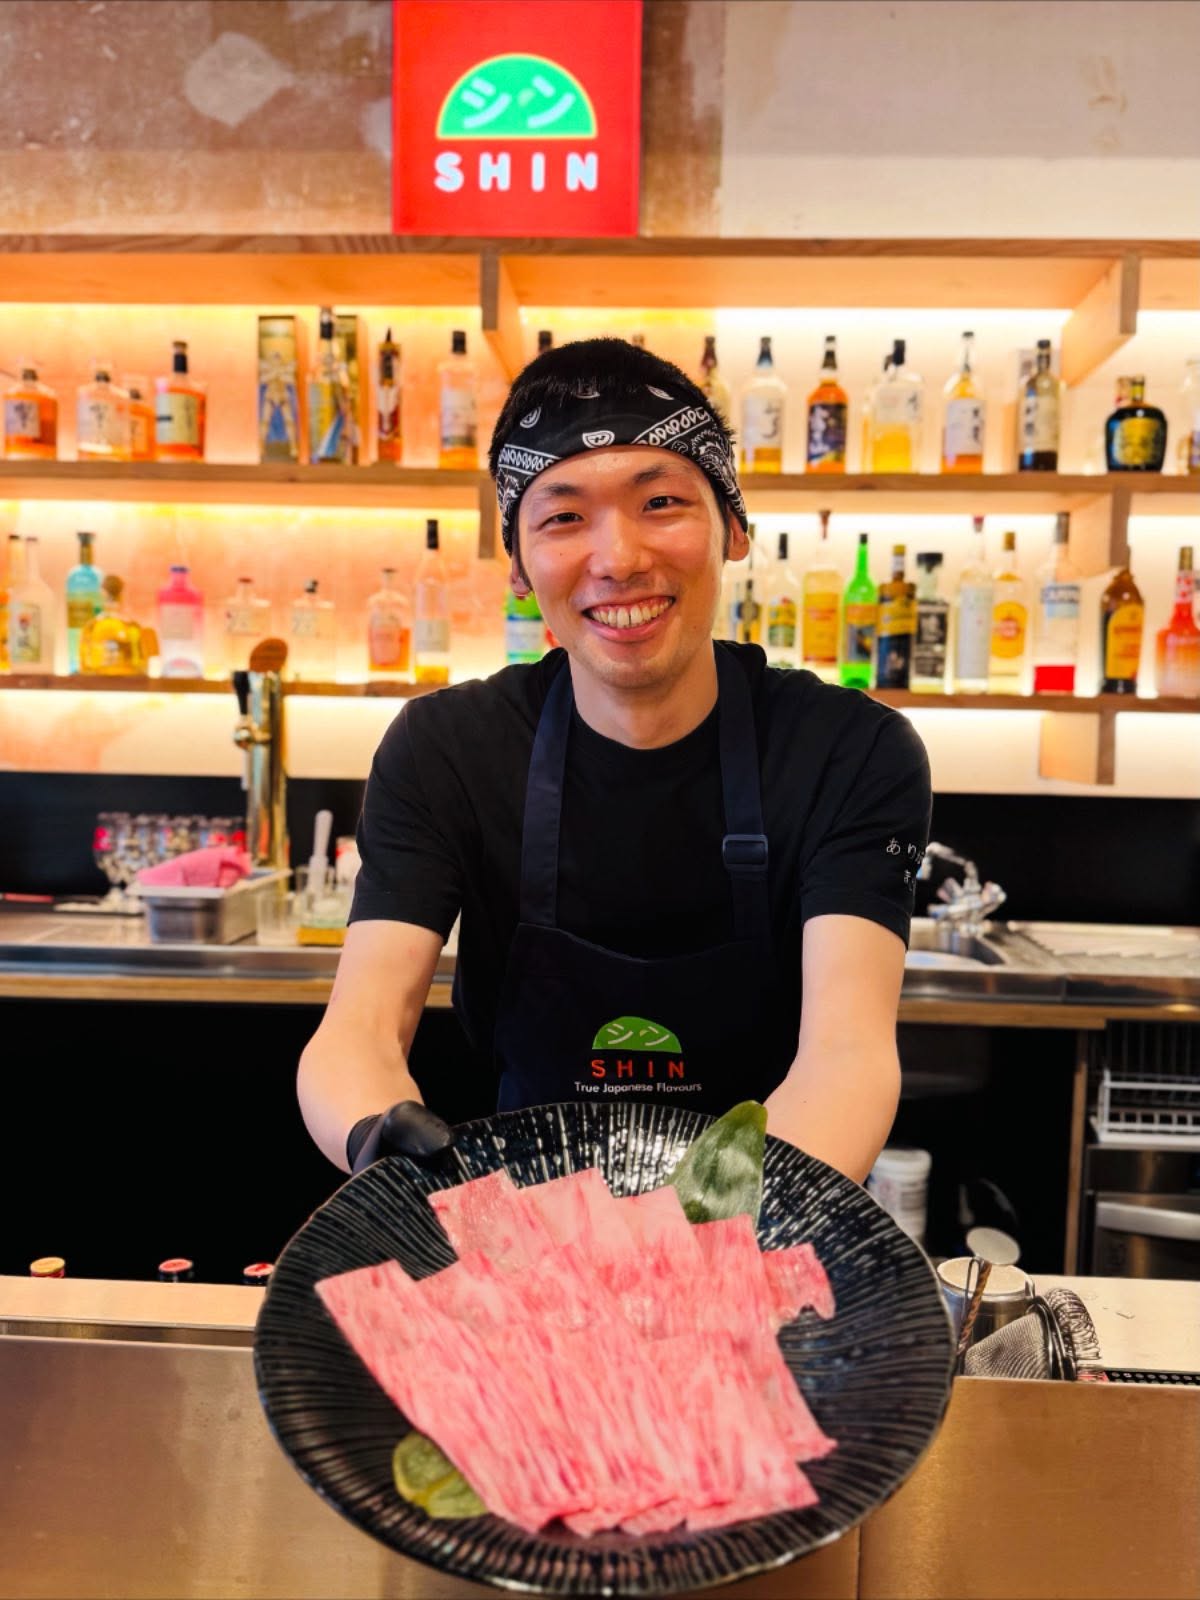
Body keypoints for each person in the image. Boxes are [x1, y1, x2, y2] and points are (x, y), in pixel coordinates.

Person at [298, 339, 931, 1183]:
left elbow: (845, 1057)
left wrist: (701, 1228)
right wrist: (374, 1135)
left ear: (733, 528)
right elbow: (361, 1029)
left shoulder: (849, 751)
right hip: (530, 1226)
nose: (619, 558)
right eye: (563, 517)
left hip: (770, 1212)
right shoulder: (445, 748)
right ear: (519, 567)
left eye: (661, 502)